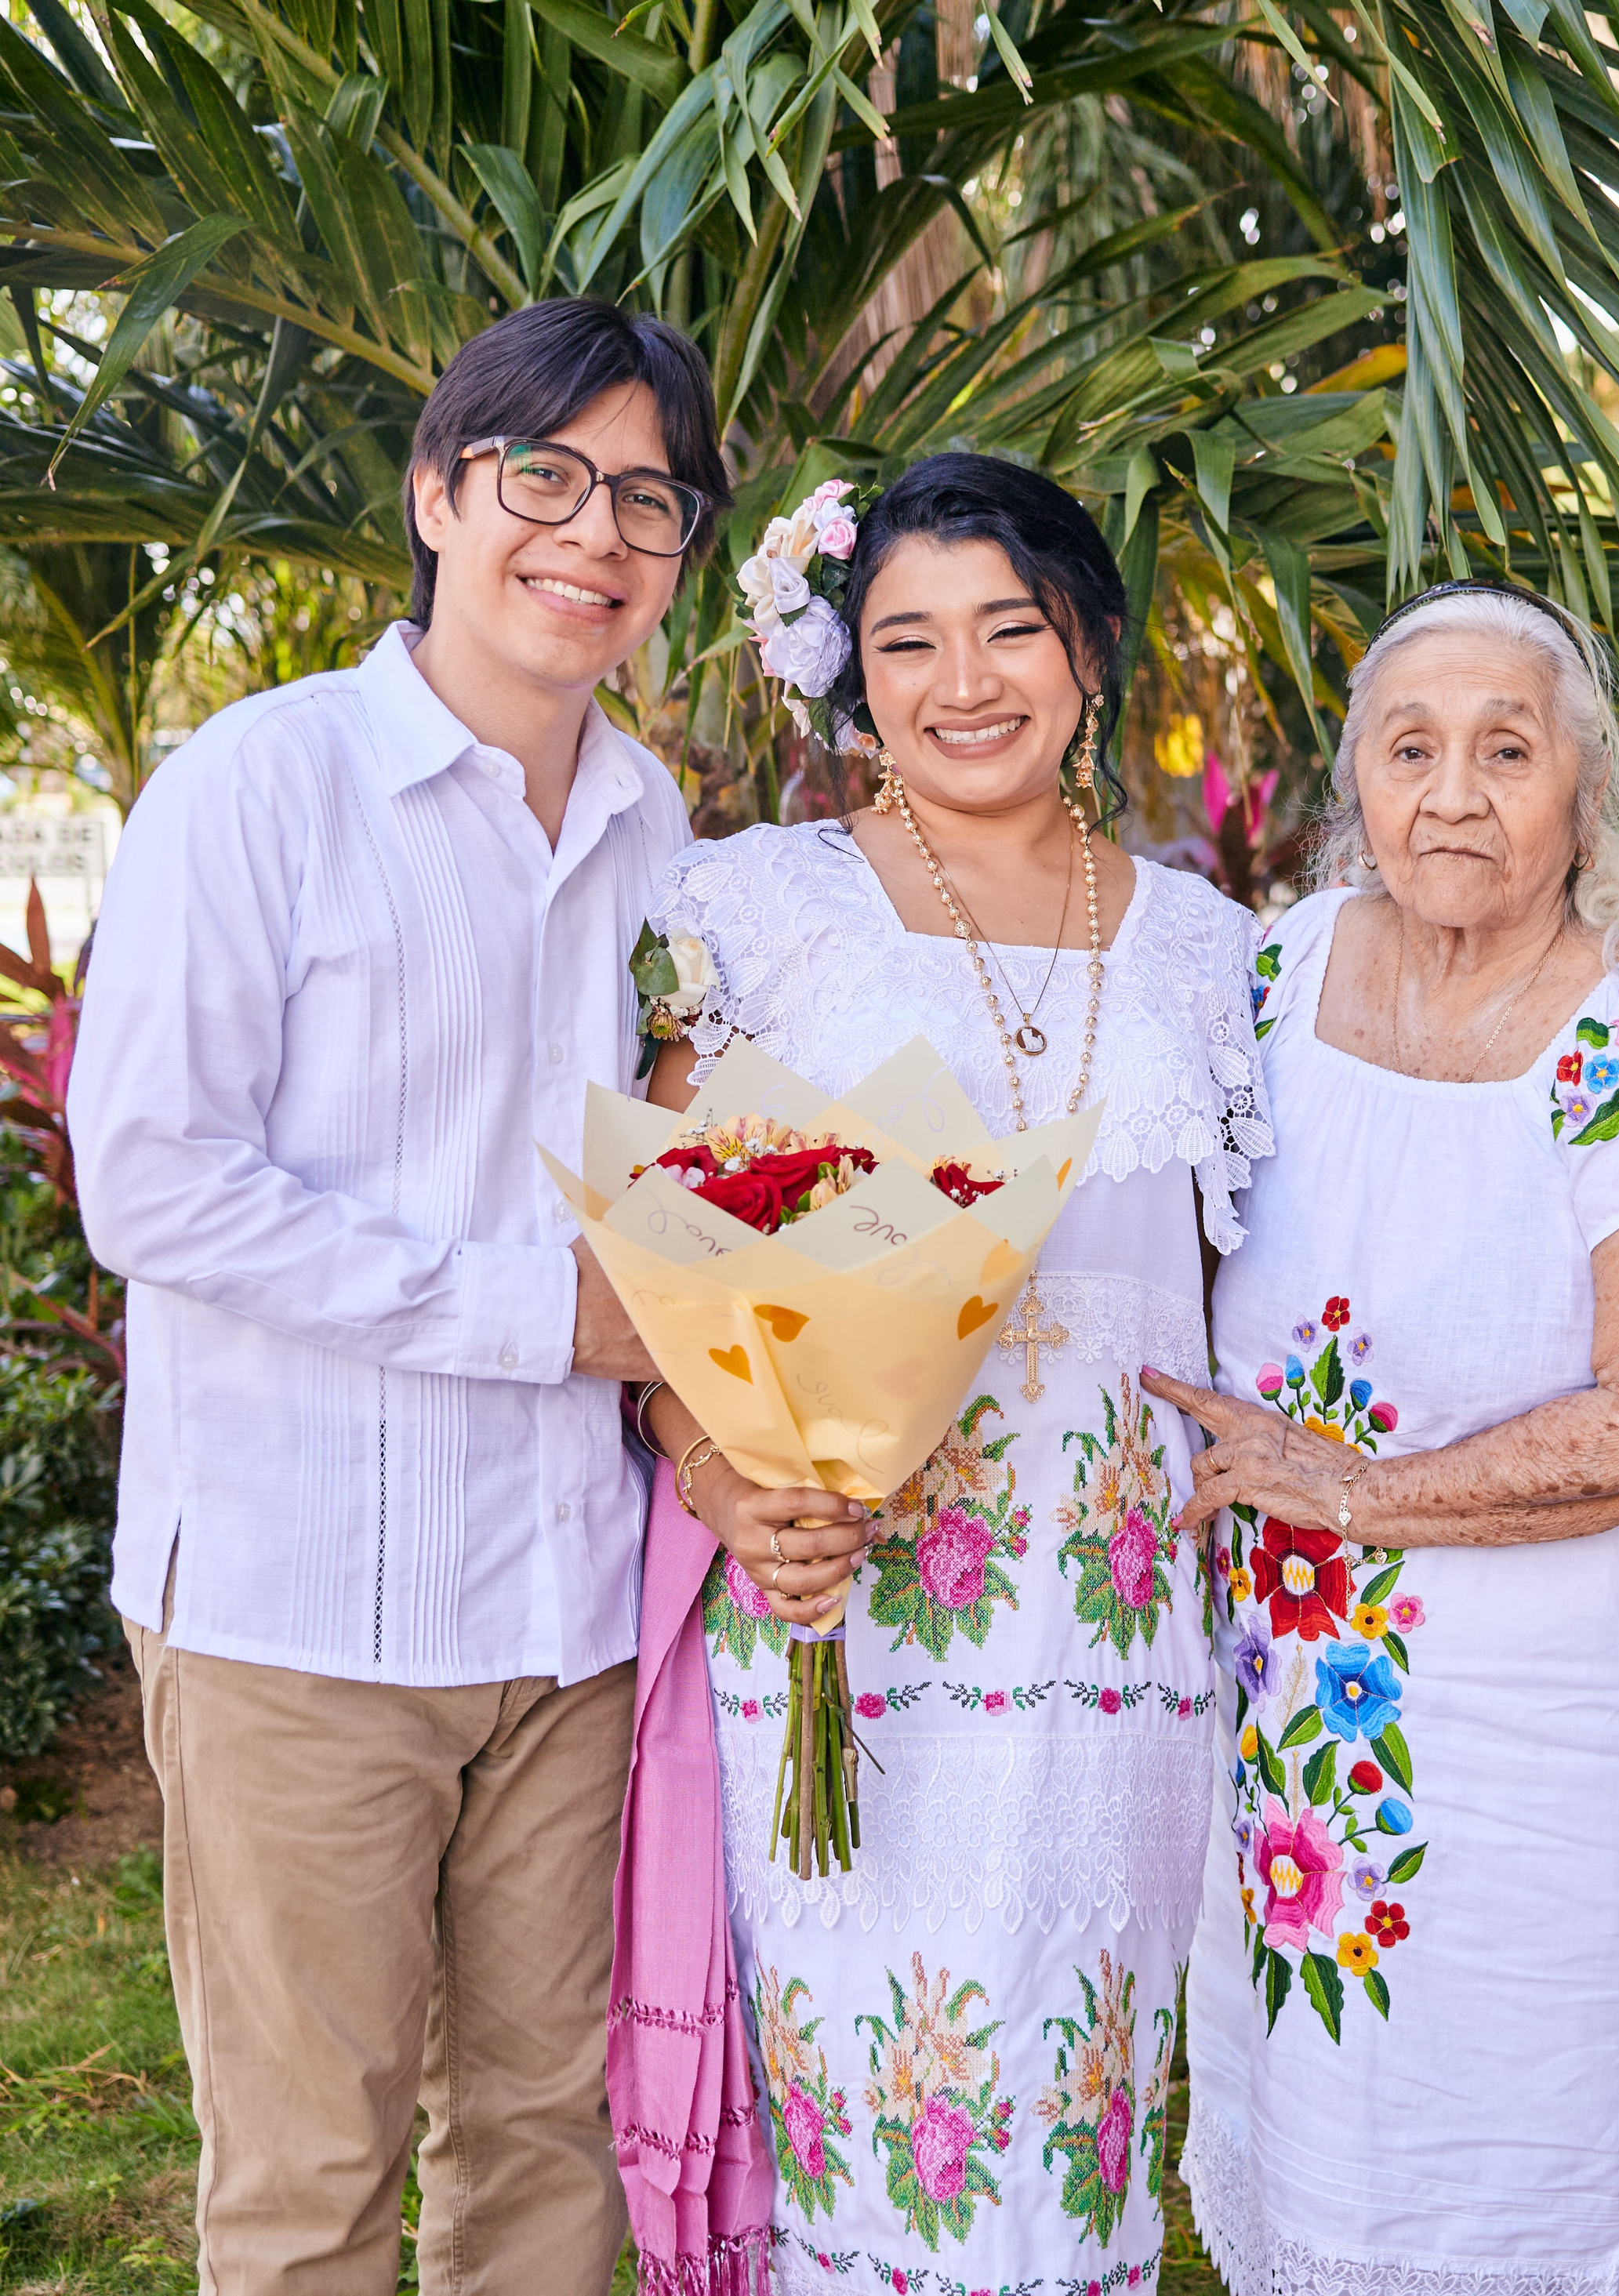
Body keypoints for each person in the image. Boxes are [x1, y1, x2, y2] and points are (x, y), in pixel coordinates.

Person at [67, 298, 731, 2295]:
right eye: (544, 477)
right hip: (303, 1612)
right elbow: (154, 1181)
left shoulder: (655, 830)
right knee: (307, 2183)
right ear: (440, 494)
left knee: (548, 2156)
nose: (592, 534)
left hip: (567, 1611)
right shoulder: (256, 788)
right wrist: (550, 1317)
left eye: (647, 497)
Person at [627, 453, 1273, 2291]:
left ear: (1087, 647)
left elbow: (1237, 1289)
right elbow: (664, 1258)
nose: (961, 678)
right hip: (849, 1608)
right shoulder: (756, 909)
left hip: (1124, 1635)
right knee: (884, 2134)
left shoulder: (1214, 955)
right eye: (905, 638)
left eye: (1011, 626)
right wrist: (717, 1468)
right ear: (848, 672)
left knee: (1076, 2143)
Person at [1142, 580, 1619, 2295]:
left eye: (1505, 750)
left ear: (1580, 787)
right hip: (1296, 1712)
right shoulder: (1266, 982)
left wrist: (1356, 1490)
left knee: (1524, 2131)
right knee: (1318, 2130)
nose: (1452, 793)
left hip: (1555, 1728)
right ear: (1350, 778)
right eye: (1409, 746)